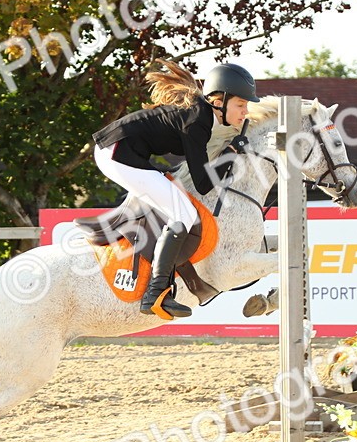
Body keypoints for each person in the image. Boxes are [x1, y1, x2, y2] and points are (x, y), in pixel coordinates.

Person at [92, 61, 259, 318]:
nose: (245, 112)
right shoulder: (197, 122)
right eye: (240, 105)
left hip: (121, 152)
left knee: (178, 207)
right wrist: (231, 152)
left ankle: (158, 287)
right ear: (219, 101)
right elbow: (203, 184)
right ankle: (156, 293)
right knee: (184, 214)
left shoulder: (200, 115)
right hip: (116, 153)